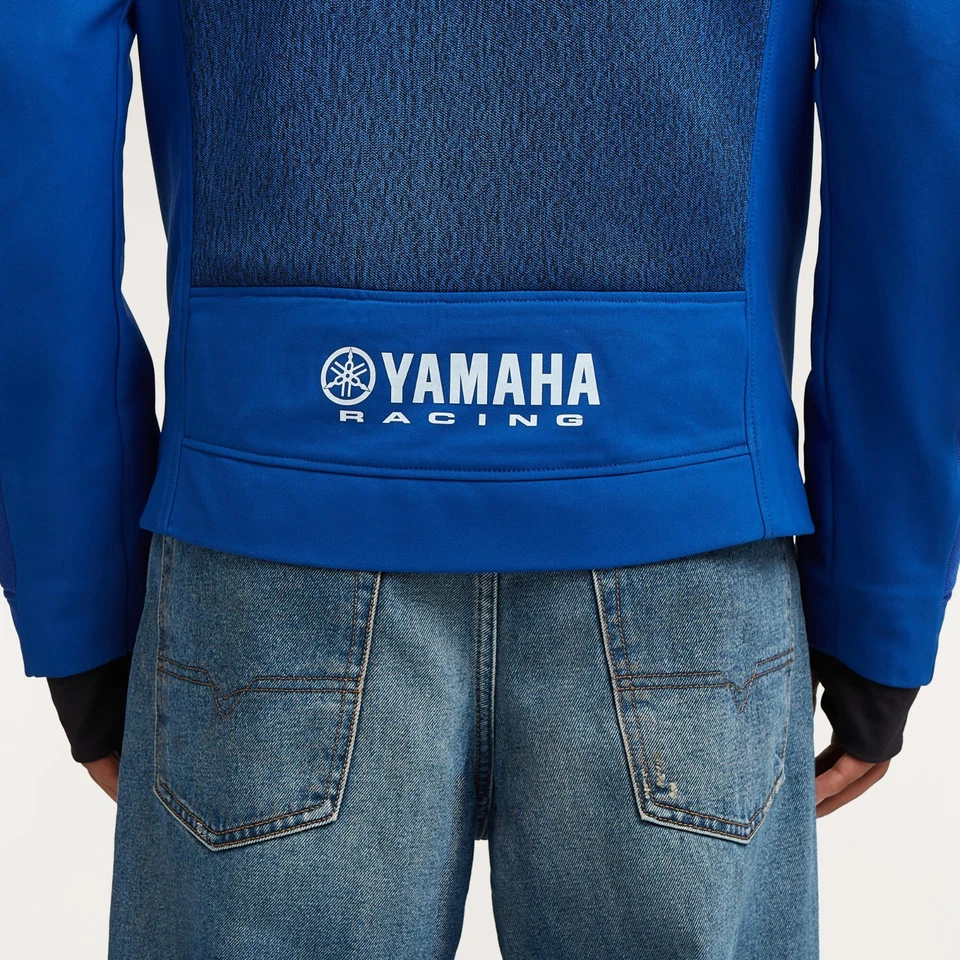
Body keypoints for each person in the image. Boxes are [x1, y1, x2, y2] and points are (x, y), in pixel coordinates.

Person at [1, 1, 955, 957]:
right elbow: (918, 78)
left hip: (278, 524)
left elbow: (32, 69)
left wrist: (76, 595)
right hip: (679, 528)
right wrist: (881, 596)